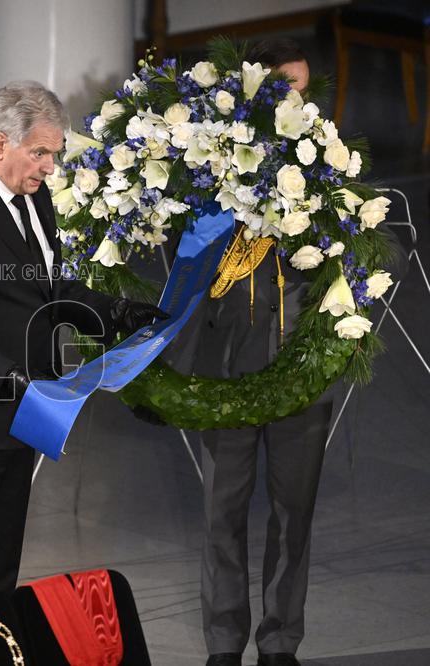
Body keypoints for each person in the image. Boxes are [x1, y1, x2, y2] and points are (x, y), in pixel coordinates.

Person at [0, 81, 167, 592]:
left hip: (23, 414)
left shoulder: (33, 196)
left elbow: (46, 288)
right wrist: (13, 381)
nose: (50, 167)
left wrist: (115, 313)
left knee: (0, 570)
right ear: (1, 144)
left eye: (55, 154)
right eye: (41, 153)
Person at [194, 39, 324, 666]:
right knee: (222, 513)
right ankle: (223, 645)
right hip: (226, 369)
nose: (295, 100)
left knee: (292, 514)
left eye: (302, 87)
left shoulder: (331, 168)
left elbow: (369, 250)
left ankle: (279, 643)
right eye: (282, 88)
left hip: (301, 369)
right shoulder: (214, 168)